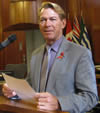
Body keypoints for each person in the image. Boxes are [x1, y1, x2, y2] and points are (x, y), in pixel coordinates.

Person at [2, 2, 98, 113]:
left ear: (63, 23)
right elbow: (30, 86)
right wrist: (15, 91)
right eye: (43, 20)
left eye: (52, 19)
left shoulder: (80, 54)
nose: (47, 24)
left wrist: (58, 103)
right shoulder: (35, 54)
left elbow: (91, 97)